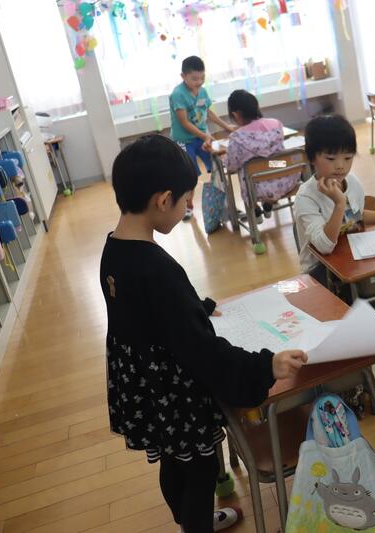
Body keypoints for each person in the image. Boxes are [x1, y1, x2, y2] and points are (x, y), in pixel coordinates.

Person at [100, 134, 307, 533]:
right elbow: (201, 350)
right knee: (199, 470)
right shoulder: (158, 268)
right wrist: (266, 365)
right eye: (186, 200)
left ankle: (189, 522)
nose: (187, 207)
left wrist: (196, 307)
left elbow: (147, 311)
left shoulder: (114, 249)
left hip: (147, 392)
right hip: (176, 396)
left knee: (173, 461)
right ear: (164, 200)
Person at [294, 114, 375, 315]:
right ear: (312, 158)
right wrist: (339, 203)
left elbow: (356, 217)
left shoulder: (353, 182)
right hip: (321, 271)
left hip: (353, 257)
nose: (341, 165)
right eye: (331, 159)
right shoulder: (306, 197)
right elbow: (325, 246)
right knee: (365, 292)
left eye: (348, 158)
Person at [170, 56, 235, 220]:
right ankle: (187, 206)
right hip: (183, 141)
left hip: (202, 137)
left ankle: (225, 205)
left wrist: (226, 126)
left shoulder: (203, 91)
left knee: (218, 167)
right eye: (194, 78)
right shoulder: (178, 95)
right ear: (183, 76)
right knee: (189, 176)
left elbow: (208, 112)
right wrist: (206, 135)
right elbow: (184, 122)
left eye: (202, 78)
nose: (199, 82)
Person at [223, 89, 300, 223]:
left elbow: (231, 167)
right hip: (286, 179)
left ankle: (255, 209)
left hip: (257, 190)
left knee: (245, 169)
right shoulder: (276, 124)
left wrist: (224, 159)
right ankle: (268, 203)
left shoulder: (237, 138)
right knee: (269, 163)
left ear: (235, 114)